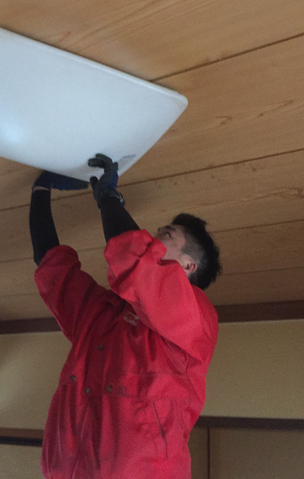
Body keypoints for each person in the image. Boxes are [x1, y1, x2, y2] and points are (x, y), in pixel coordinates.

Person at [29, 154, 221, 479]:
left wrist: (109, 199)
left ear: (189, 266)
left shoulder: (197, 317)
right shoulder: (100, 311)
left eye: (166, 235)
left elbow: (137, 260)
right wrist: (40, 190)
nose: (152, 238)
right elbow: (52, 266)